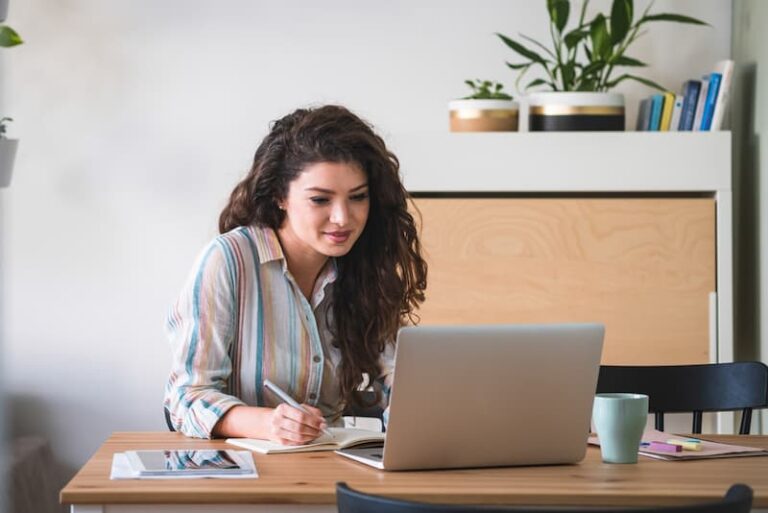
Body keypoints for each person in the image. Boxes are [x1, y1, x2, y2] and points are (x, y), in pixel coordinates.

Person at [164, 105, 428, 444]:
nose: (342, 218)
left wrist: (422, 408)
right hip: (240, 472)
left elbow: (397, 378)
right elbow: (187, 397)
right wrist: (268, 423)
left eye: (358, 198)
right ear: (280, 197)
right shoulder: (229, 259)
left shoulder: (365, 267)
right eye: (320, 200)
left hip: (326, 466)